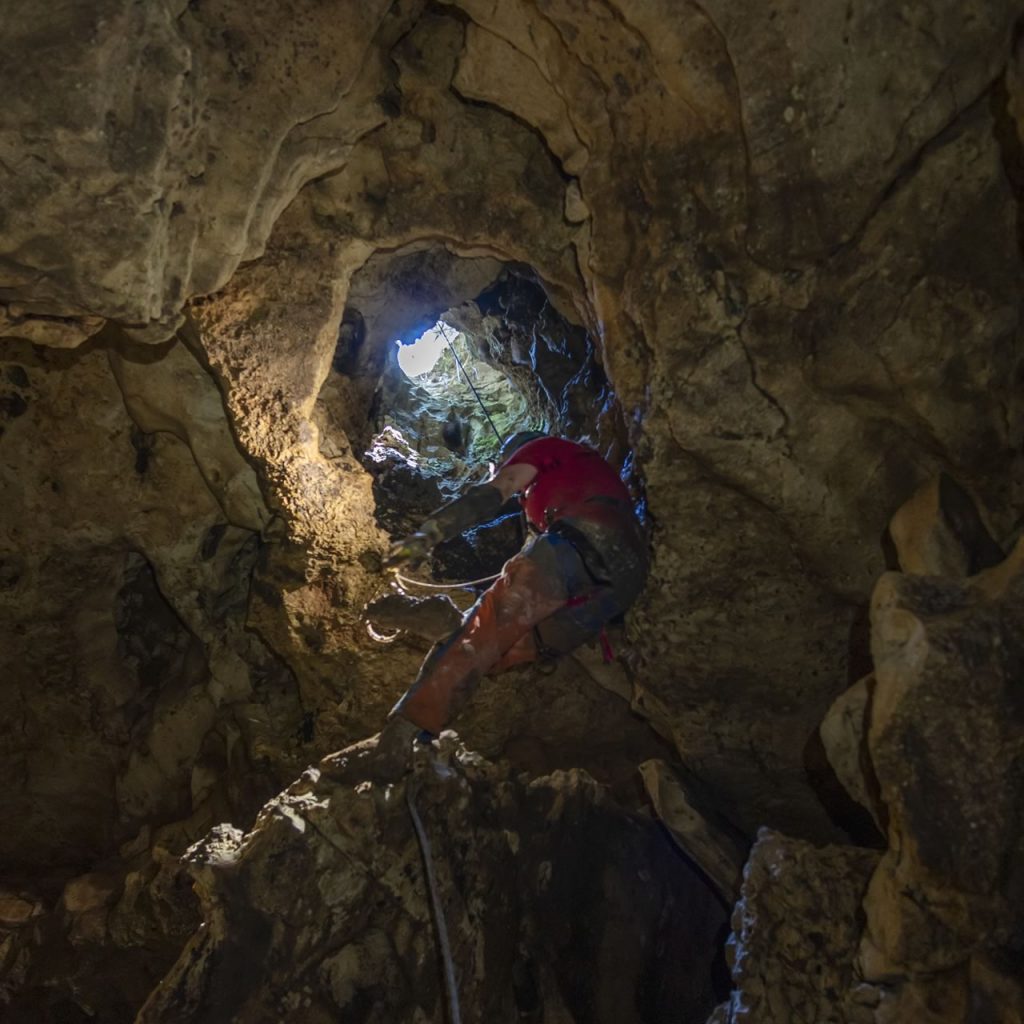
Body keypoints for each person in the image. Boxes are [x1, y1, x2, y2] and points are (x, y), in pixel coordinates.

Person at [372, 431, 649, 772]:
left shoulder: (540, 450)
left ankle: (402, 736)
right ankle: (446, 633)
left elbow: (494, 492)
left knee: (484, 632)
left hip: (583, 538)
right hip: (622, 581)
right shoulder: (575, 474)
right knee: (504, 650)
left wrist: (426, 535)